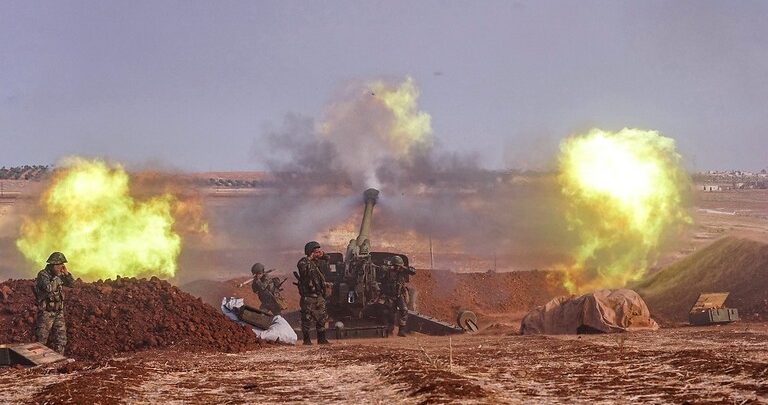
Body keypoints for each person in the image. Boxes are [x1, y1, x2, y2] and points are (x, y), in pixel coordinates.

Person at [33, 251, 75, 354]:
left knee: (61, 340)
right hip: (46, 313)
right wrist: (57, 277)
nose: (61, 268)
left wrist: (66, 274)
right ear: (53, 265)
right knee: (41, 340)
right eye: (59, 265)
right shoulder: (43, 275)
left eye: (62, 265)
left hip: (58, 312)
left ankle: (58, 359)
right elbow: (48, 288)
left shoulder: (59, 275)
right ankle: (38, 361)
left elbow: (72, 284)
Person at [294, 241, 330, 345]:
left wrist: (323, 255)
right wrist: (311, 258)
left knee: (322, 318)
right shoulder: (303, 262)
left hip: (319, 296)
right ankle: (306, 340)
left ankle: (322, 339)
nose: (318, 253)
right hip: (308, 297)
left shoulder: (317, 263)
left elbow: (327, 260)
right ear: (311, 252)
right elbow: (303, 269)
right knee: (307, 318)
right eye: (316, 252)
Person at [382, 255, 415, 337]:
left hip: (399, 295)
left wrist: (403, 267)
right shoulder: (388, 272)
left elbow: (413, 271)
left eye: (398, 266)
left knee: (404, 310)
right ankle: (390, 331)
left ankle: (401, 331)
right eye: (396, 266)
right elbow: (382, 274)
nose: (397, 268)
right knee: (390, 314)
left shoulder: (402, 271)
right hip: (390, 296)